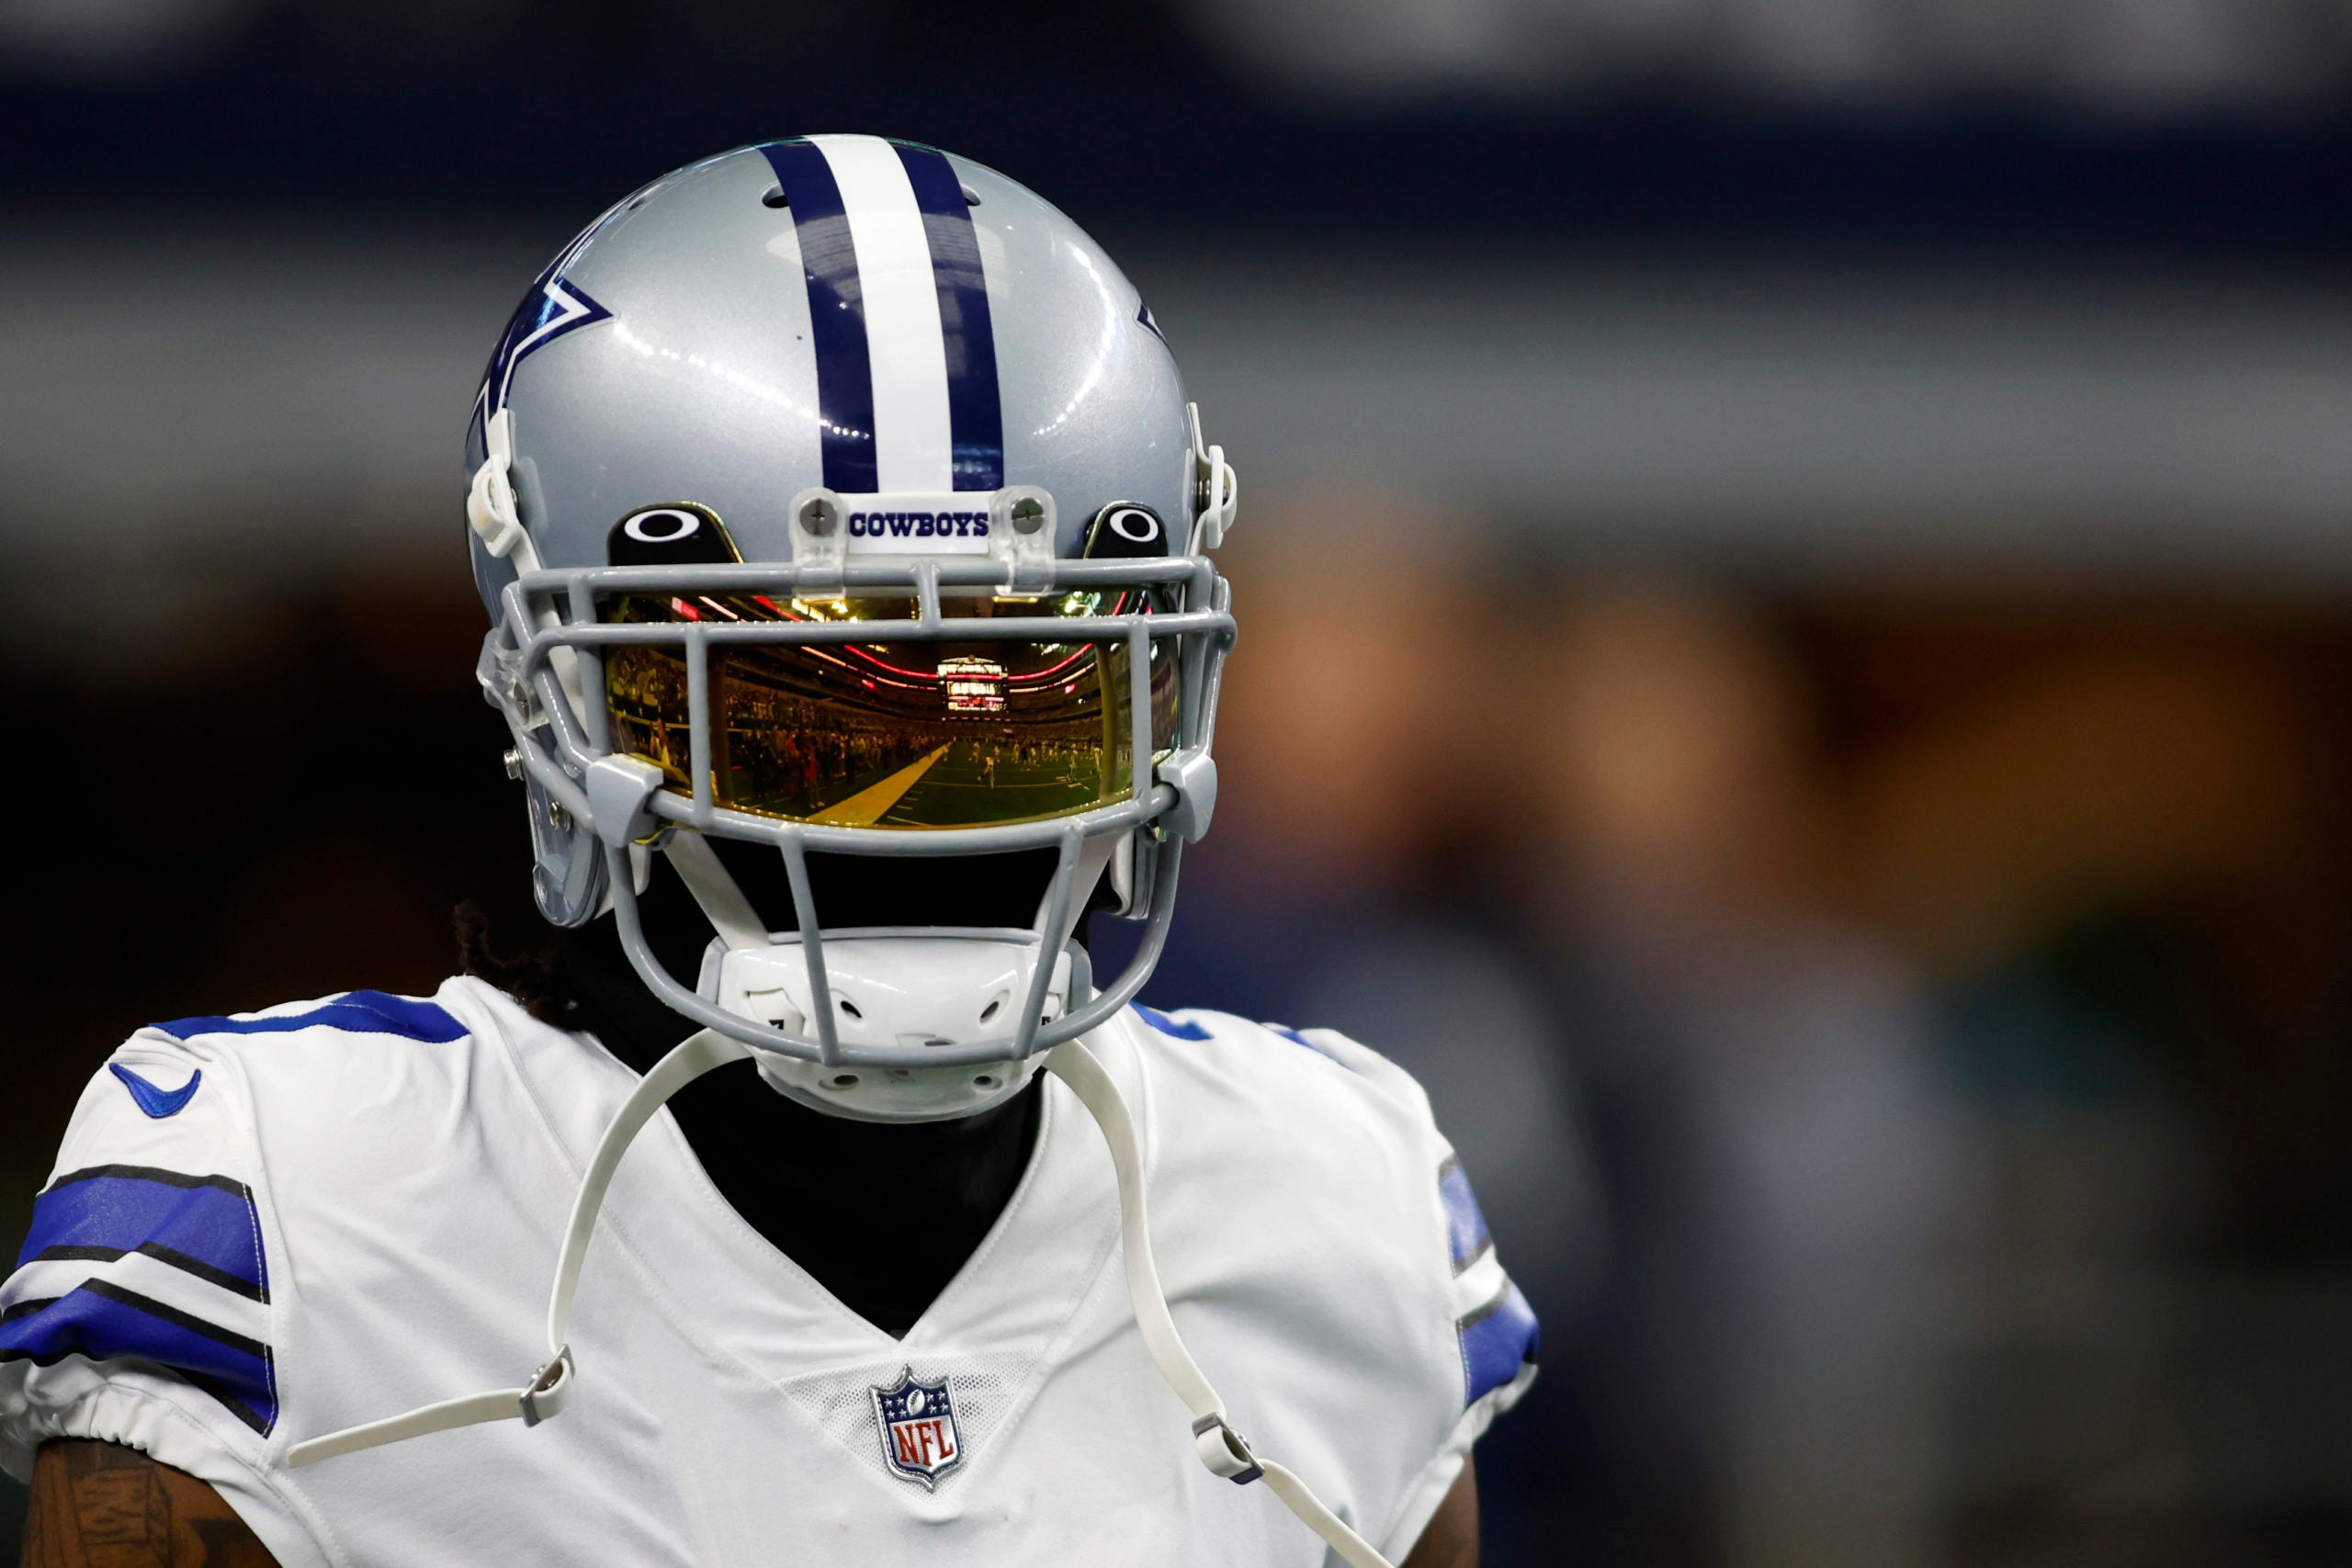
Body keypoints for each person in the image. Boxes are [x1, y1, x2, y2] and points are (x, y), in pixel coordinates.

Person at [2, 137, 1535, 1566]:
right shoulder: (289, 1202)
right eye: (795, 709)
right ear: (554, 708)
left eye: (1021, 706)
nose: (916, 822)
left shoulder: (1340, 1198)